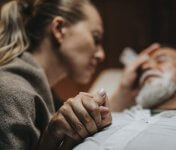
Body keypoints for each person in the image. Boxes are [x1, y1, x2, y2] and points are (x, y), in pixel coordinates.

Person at [0, 0, 112, 149]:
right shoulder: (11, 95)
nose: (101, 55)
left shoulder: (46, 97)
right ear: (59, 29)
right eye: (95, 38)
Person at [110, 44, 176, 112]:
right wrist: (123, 89)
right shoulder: (122, 116)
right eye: (142, 68)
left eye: (161, 60)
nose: (145, 67)